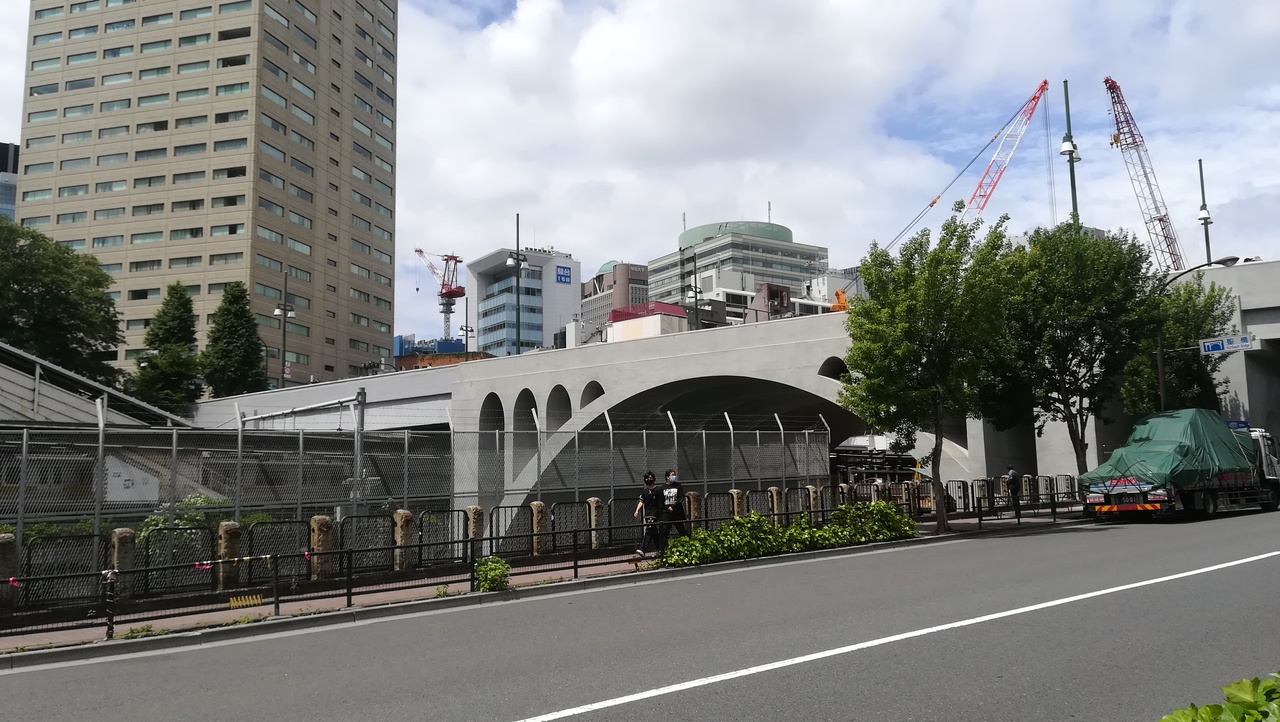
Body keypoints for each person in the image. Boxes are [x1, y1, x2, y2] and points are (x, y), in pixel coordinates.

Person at [658, 468, 688, 550]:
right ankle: (662, 550)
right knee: (664, 532)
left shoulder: (678, 486)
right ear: (667, 477)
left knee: (681, 530)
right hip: (666, 513)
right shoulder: (662, 488)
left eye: (674, 475)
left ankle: (686, 547)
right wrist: (661, 513)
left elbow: (681, 497)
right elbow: (661, 501)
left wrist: (673, 506)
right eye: (672, 475)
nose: (674, 476)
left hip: (677, 512)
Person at [633, 471, 662, 557]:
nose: (649, 479)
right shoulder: (645, 492)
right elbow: (641, 501)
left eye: (650, 478)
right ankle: (661, 548)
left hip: (655, 513)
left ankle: (642, 548)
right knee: (653, 531)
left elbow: (661, 502)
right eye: (647, 478)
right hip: (647, 514)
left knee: (649, 529)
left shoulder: (658, 490)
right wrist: (637, 510)